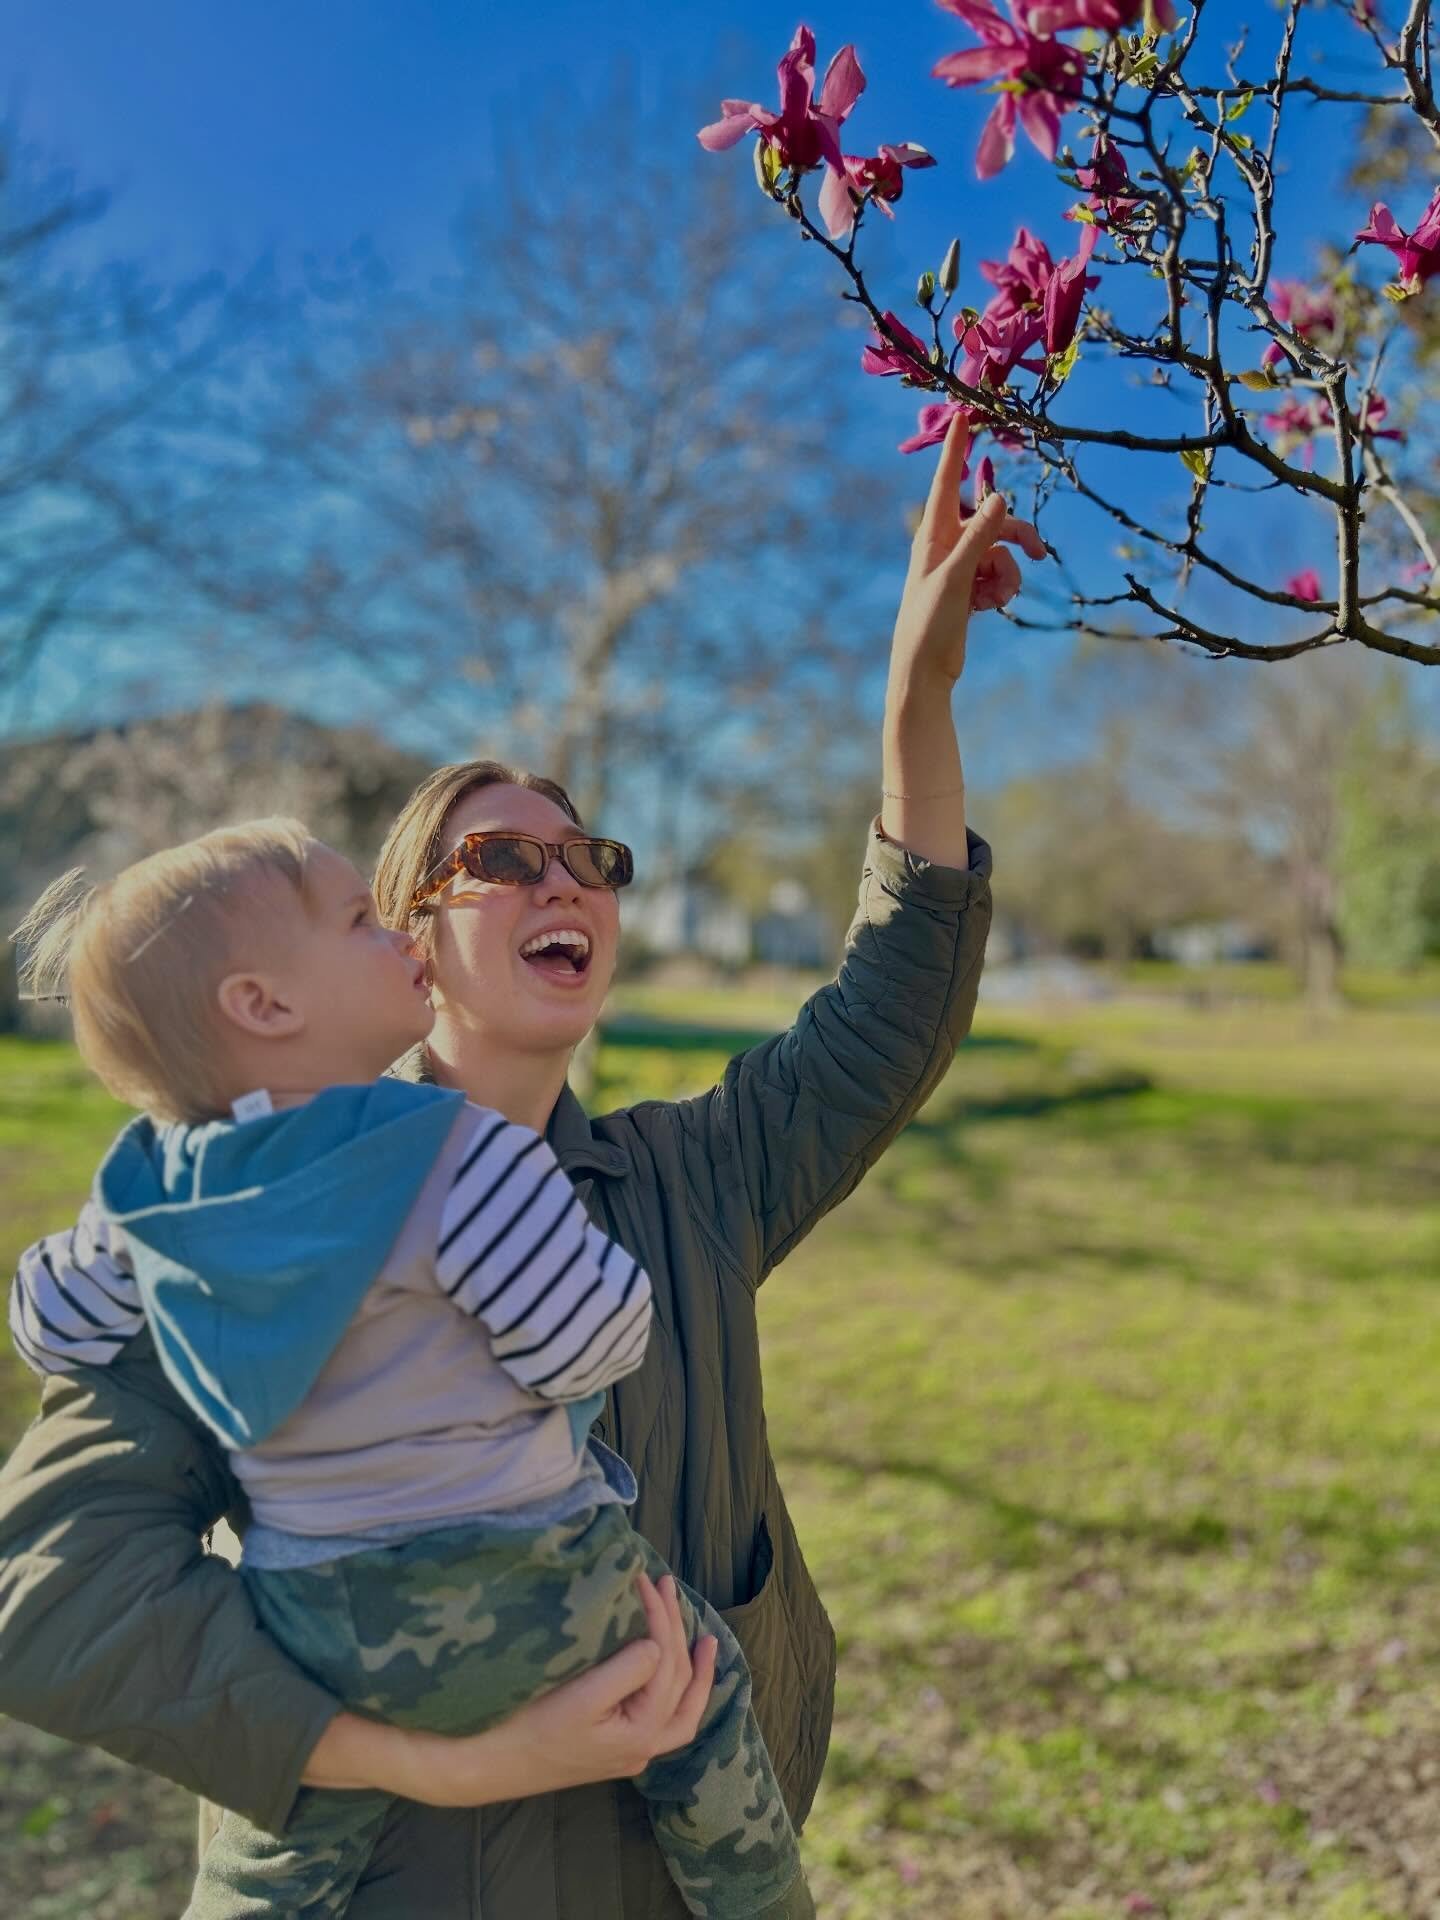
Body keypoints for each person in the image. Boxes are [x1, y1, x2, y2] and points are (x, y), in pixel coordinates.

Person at [0, 419, 1039, 1916]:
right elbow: (55, 1600)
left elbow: (888, 1015)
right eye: (501, 859)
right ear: (397, 934)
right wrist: (433, 1761)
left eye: (590, 860)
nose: (567, 879)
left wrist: (915, 703)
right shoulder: (246, 1215)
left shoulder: (691, 1175)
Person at [9, 815, 814, 1920]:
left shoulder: (151, 1192)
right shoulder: (446, 1147)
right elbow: (589, 1339)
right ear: (265, 1004)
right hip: (521, 1582)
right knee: (707, 1689)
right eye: (355, 919)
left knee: (289, 1837)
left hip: (308, 1622)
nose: (393, 931)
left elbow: (53, 1318)